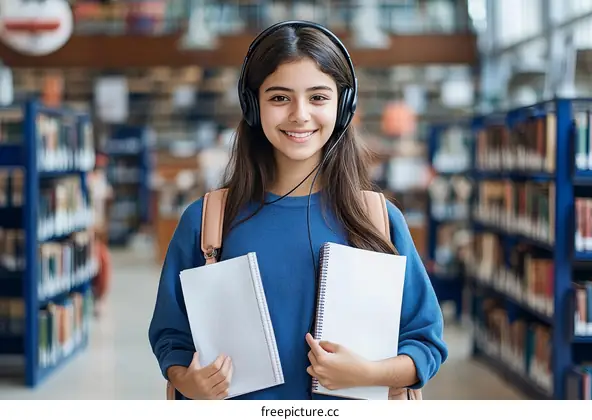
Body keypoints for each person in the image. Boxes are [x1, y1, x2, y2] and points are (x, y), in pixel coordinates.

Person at [148, 20, 448, 400]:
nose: (300, 114)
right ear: (252, 106)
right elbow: (170, 336)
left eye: (318, 97)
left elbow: (426, 343)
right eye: (279, 98)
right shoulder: (208, 221)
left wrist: (370, 373)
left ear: (344, 106)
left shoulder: (378, 220)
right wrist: (188, 380)